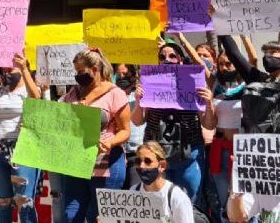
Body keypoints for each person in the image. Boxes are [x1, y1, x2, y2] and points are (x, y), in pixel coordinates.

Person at [133, 39, 216, 205]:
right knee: (159, 203)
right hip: (156, 155)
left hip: (189, 153)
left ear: (181, 60)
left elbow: (209, 125)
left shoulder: (193, 83)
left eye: (172, 56)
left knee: (191, 203)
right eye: (162, 56)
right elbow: (137, 121)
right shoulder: (150, 83)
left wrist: (208, 103)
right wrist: (138, 102)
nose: (167, 59)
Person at [215, 0, 280, 134]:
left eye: (273, 52)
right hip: (260, 146)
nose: (267, 56)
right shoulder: (258, 80)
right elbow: (234, 55)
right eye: (265, 53)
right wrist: (219, 21)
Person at [61, 48, 131, 223]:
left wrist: (110, 142)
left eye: (81, 71)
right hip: (76, 162)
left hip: (107, 162)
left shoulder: (115, 93)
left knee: (99, 216)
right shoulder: (73, 93)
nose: (78, 76)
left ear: (95, 69)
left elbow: (125, 131)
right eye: (76, 71)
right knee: (71, 215)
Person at [0, 54, 40, 223]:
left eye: (10, 68)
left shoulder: (28, 89)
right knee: (2, 202)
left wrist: (24, 69)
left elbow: (36, 98)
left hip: (21, 148)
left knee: (24, 202)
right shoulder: (0, 90)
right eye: (4, 69)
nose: (6, 72)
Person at [208, 50, 245, 221]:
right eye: (220, 64)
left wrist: (244, 38)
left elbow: (253, 59)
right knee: (224, 199)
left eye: (228, 63)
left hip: (241, 150)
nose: (224, 68)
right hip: (220, 148)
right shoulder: (215, 84)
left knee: (243, 197)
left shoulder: (248, 83)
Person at [129, 142, 194, 223]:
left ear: (162, 166)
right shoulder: (133, 191)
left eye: (147, 161)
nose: (141, 166)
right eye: (138, 162)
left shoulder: (177, 197)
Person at [114, 64, 144, 189]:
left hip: (135, 153)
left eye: (125, 74)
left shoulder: (140, 95)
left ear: (133, 74)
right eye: (118, 74)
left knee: (135, 191)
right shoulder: (112, 95)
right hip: (116, 154)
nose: (121, 77)